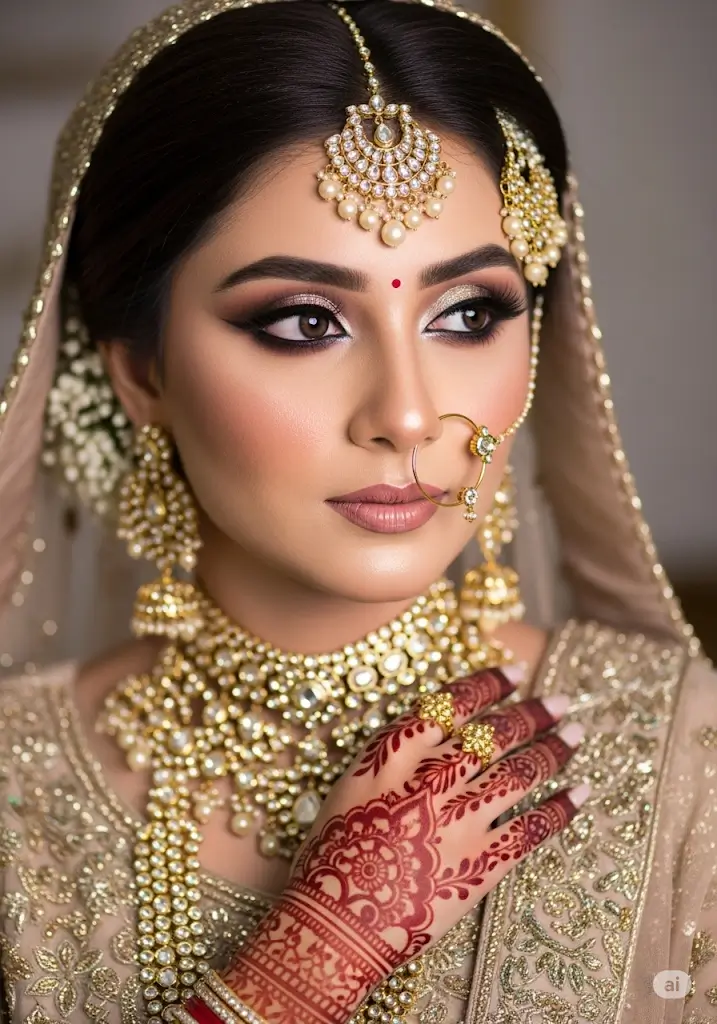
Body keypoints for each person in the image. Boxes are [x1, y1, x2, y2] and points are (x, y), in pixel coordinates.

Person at [0, 1, 714, 1021]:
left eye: (469, 314)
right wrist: (306, 963)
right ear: (141, 370)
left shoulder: (686, 753)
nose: (409, 412)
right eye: (303, 321)